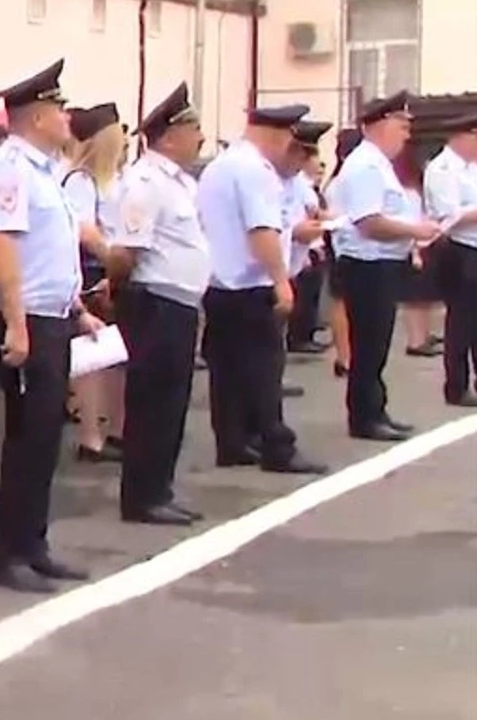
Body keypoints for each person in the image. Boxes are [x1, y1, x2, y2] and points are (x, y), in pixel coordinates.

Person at [0, 59, 102, 595]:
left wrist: (76, 309)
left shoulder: (44, 171)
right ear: (35, 116)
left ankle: (33, 543)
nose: (66, 116)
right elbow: (0, 246)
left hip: (53, 317)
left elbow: (48, 255)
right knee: (27, 439)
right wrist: (15, 322)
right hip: (28, 321)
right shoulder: (10, 168)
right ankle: (6, 555)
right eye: (57, 108)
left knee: (45, 438)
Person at [195, 103, 329, 474]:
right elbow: (261, 230)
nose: (291, 145)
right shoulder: (255, 171)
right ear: (276, 134)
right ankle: (276, 445)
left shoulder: (221, 166)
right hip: (251, 284)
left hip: (220, 283)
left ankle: (234, 442)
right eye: (289, 136)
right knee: (265, 367)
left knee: (228, 369)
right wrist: (281, 280)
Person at [105, 83, 211, 526]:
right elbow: (126, 252)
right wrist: (118, 296)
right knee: (152, 404)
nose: (201, 138)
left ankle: (159, 488)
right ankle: (143, 496)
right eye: (193, 129)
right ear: (168, 137)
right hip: (155, 303)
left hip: (178, 304)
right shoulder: (145, 183)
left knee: (172, 403)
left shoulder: (178, 182)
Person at [326, 91, 438, 441]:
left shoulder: (378, 164)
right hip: (367, 265)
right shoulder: (365, 166)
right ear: (381, 125)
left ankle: (375, 409)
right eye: (401, 126)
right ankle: (364, 417)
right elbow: (369, 222)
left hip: (383, 264)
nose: (406, 135)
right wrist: (414, 230)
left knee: (376, 344)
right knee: (369, 345)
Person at [60, 104, 127, 463]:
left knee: (116, 355)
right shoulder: (81, 180)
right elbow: (84, 229)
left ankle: (117, 428)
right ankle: (91, 435)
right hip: (92, 268)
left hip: (111, 268)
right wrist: (109, 256)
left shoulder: (112, 179)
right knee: (92, 358)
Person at [424, 113, 477, 406]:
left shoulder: (472, 168)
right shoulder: (443, 169)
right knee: (462, 321)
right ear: (463, 136)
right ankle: (456, 386)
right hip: (459, 250)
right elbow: (449, 215)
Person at [274, 119, 333, 401]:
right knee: (268, 331)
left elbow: (312, 210)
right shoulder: (271, 178)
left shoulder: (297, 182)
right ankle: (271, 379)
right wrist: (298, 232)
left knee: (279, 328)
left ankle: (275, 376)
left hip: (294, 260)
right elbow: (273, 224)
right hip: (273, 266)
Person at [394, 147, 443, 359]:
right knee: (415, 297)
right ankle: (416, 340)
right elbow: (411, 221)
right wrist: (415, 251)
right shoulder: (408, 192)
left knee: (423, 297)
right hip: (416, 246)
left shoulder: (412, 189)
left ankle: (423, 335)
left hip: (422, 244)